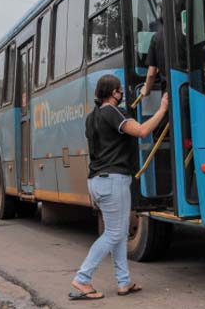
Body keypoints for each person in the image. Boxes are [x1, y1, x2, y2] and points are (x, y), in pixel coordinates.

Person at [70, 74, 168, 300]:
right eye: (120, 89)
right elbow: (142, 131)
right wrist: (162, 110)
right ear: (113, 93)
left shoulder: (91, 117)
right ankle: (82, 278)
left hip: (98, 180)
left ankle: (124, 282)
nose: (122, 92)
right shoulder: (111, 112)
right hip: (112, 180)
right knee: (114, 233)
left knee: (119, 233)